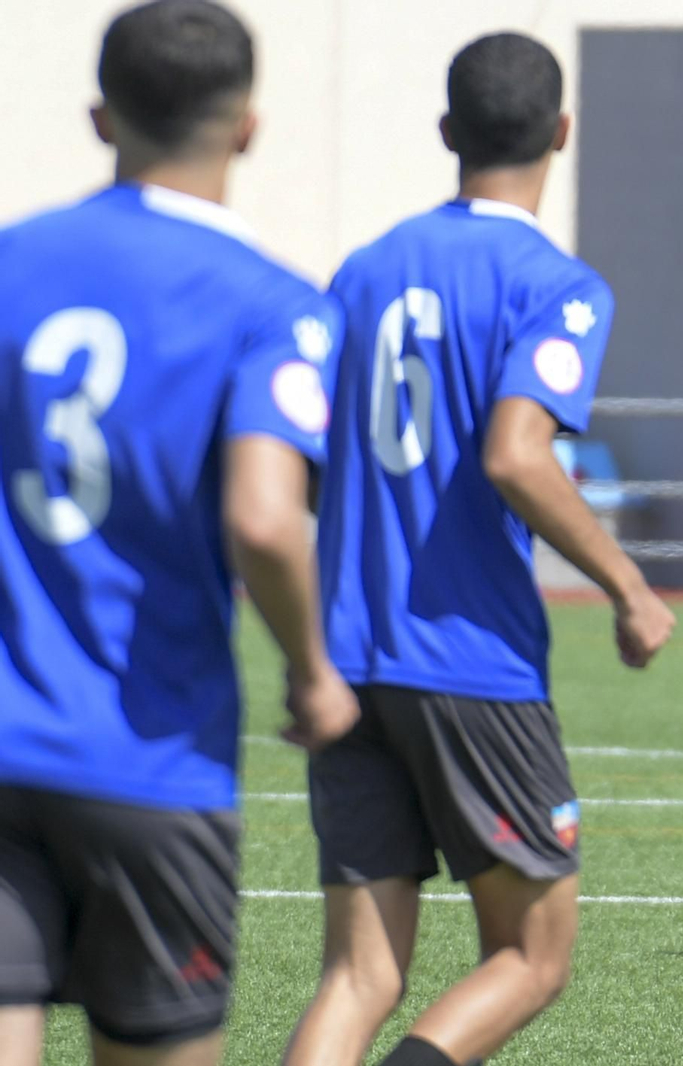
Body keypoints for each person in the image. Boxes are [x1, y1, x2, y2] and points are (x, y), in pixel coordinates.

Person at [282, 32, 676, 1066]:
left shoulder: (363, 271)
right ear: (562, 132)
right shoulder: (556, 283)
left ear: (447, 133)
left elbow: (307, 462)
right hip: (469, 658)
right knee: (531, 957)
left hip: (350, 655)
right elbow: (516, 455)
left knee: (359, 975)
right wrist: (628, 583)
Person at [0, 3, 359, 1063]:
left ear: (99, 117)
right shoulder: (273, 301)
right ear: (247, 125)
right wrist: (311, 670)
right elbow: (262, 516)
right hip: (150, 755)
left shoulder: (12, 261)